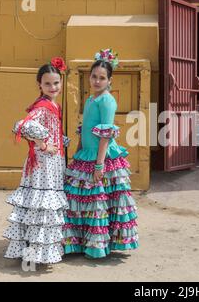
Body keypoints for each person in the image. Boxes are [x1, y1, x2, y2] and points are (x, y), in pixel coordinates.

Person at [63, 49, 138, 258]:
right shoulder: (90, 99)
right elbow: (85, 129)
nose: (97, 81)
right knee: (80, 198)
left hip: (100, 157)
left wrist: (99, 165)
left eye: (102, 78)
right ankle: (81, 242)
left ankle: (98, 247)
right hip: (86, 155)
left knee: (98, 202)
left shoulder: (106, 100)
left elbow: (106, 134)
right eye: (94, 76)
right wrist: (77, 153)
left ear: (109, 80)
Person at [4, 58, 68, 265]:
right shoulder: (42, 106)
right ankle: (31, 256)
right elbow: (22, 125)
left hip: (53, 163)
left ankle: (34, 255)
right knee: (40, 208)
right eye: (48, 83)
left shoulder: (53, 105)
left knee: (41, 209)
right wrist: (43, 145)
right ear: (39, 84)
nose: (53, 87)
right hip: (44, 164)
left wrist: (58, 141)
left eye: (56, 82)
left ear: (61, 82)